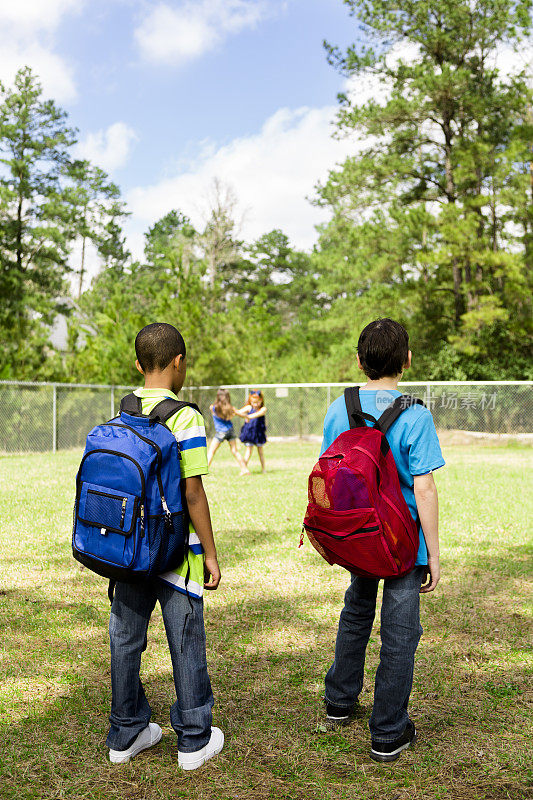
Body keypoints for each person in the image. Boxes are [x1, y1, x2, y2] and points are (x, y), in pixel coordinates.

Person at [321, 318, 445, 763]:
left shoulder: (340, 407)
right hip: (403, 543)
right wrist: (432, 552)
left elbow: (329, 471)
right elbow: (425, 487)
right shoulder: (416, 413)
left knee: (356, 611)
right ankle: (389, 731)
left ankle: (339, 700)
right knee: (399, 632)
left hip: (358, 535)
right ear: (407, 360)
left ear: (359, 361)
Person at [106, 322, 224, 771]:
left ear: (138, 366)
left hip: (129, 551)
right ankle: (194, 739)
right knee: (186, 640)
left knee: (126, 640)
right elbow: (192, 493)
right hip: (176, 554)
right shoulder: (187, 417)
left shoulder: (121, 413)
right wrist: (210, 554)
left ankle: (126, 732)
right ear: (180, 362)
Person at [207, 388, 250, 475]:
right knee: (235, 451)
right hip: (230, 430)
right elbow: (240, 414)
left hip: (221, 432)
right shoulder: (231, 408)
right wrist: (247, 417)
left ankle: (204, 472)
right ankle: (245, 469)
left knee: (211, 451)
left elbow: (215, 413)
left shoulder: (213, 407)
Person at [237, 390, 267, 472]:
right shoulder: (249, 408)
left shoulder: (263, 409)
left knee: (260, 451)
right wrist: (232, 411)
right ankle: (244, 469)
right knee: (248, 451)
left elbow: (259, 414)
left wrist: (248, 417)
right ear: (250, 401)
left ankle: (263, 469)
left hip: (259, 433)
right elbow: (238, 412)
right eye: (253, 402)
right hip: (250, 433)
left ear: (261, 401)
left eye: (257, 402)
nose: (255, 404)